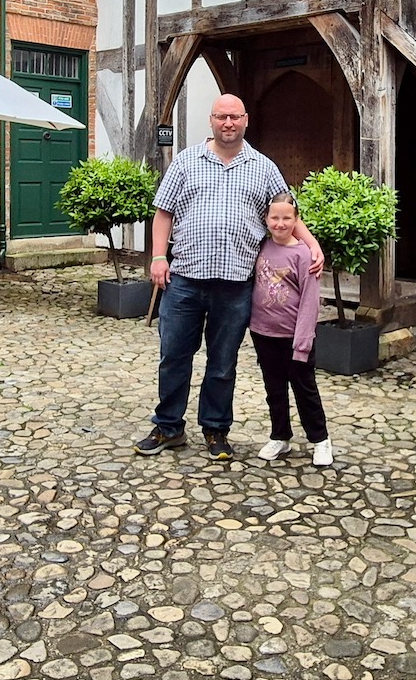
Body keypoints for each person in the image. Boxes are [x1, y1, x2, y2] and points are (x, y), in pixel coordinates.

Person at [135, 94, 322, 461]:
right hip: (184, 280)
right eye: (221, 117)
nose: (228, 123)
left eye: (234, 117)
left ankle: (216, 430)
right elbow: (163, 213)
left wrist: (312, 246)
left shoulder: (264, 167)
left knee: (223, 362)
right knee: (174, 356)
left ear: (245, 120)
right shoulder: (186, 161)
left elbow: (289, 213)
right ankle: (169, 426)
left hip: (236, 285)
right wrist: (158, 256)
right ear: (212, 120)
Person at [249, 191, 332, 466]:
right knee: (274, 388)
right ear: (266, 219)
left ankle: (320, 440)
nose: (280, 223)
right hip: (263, 333)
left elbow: (309, 301)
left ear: (296, 220)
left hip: (294, 336)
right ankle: (279, 435)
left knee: (304, 388)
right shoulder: (261, 246)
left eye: (287, 218)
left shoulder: (304, 254)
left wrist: (303, 340)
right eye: (275, 217)